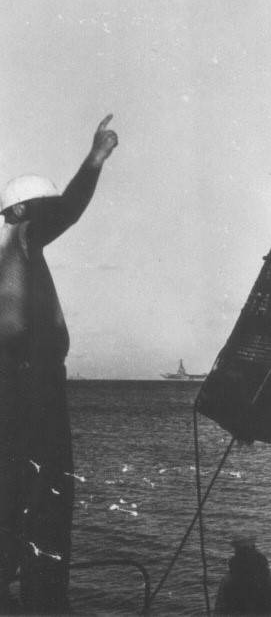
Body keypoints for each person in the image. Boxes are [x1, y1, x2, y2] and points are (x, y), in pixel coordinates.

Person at [0, 115, 118, 613]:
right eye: (39, 209)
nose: (48, 219)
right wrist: (94, 159)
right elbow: (68, 209)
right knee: (49, 500)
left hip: (9, 387)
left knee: (10, 498)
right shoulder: (24, 234)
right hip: (34, 387)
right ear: (22, 209)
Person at [214, 536, 271, 616]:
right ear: (254, 549)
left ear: (237, 552)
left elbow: (219, 611)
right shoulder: (270, 578)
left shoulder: (227, 580)